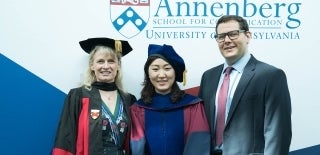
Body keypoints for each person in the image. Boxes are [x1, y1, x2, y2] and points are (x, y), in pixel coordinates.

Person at [198, 15, 292, 155]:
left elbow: (278, 133)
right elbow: (201, 125)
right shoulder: (208, 77)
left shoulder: (271, 76)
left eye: (233, 34)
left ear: (247, 36)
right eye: (221, 36)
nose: (227, 40)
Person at [52, 37, 136, 155]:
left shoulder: (128, 100)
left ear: (118, 66)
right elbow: (65, 139)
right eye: (100, 61)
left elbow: (136, 143)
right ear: (92, 65)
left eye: (111, 61)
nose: (106, 66)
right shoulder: (78, 96)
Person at [130, 44, 210, 155]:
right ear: (148, 73)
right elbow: (136, 148)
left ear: (175, 72)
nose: (161, 75)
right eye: (155, 69)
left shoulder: (193, 106)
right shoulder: (137, 110)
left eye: (167, 68)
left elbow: (198, 145)